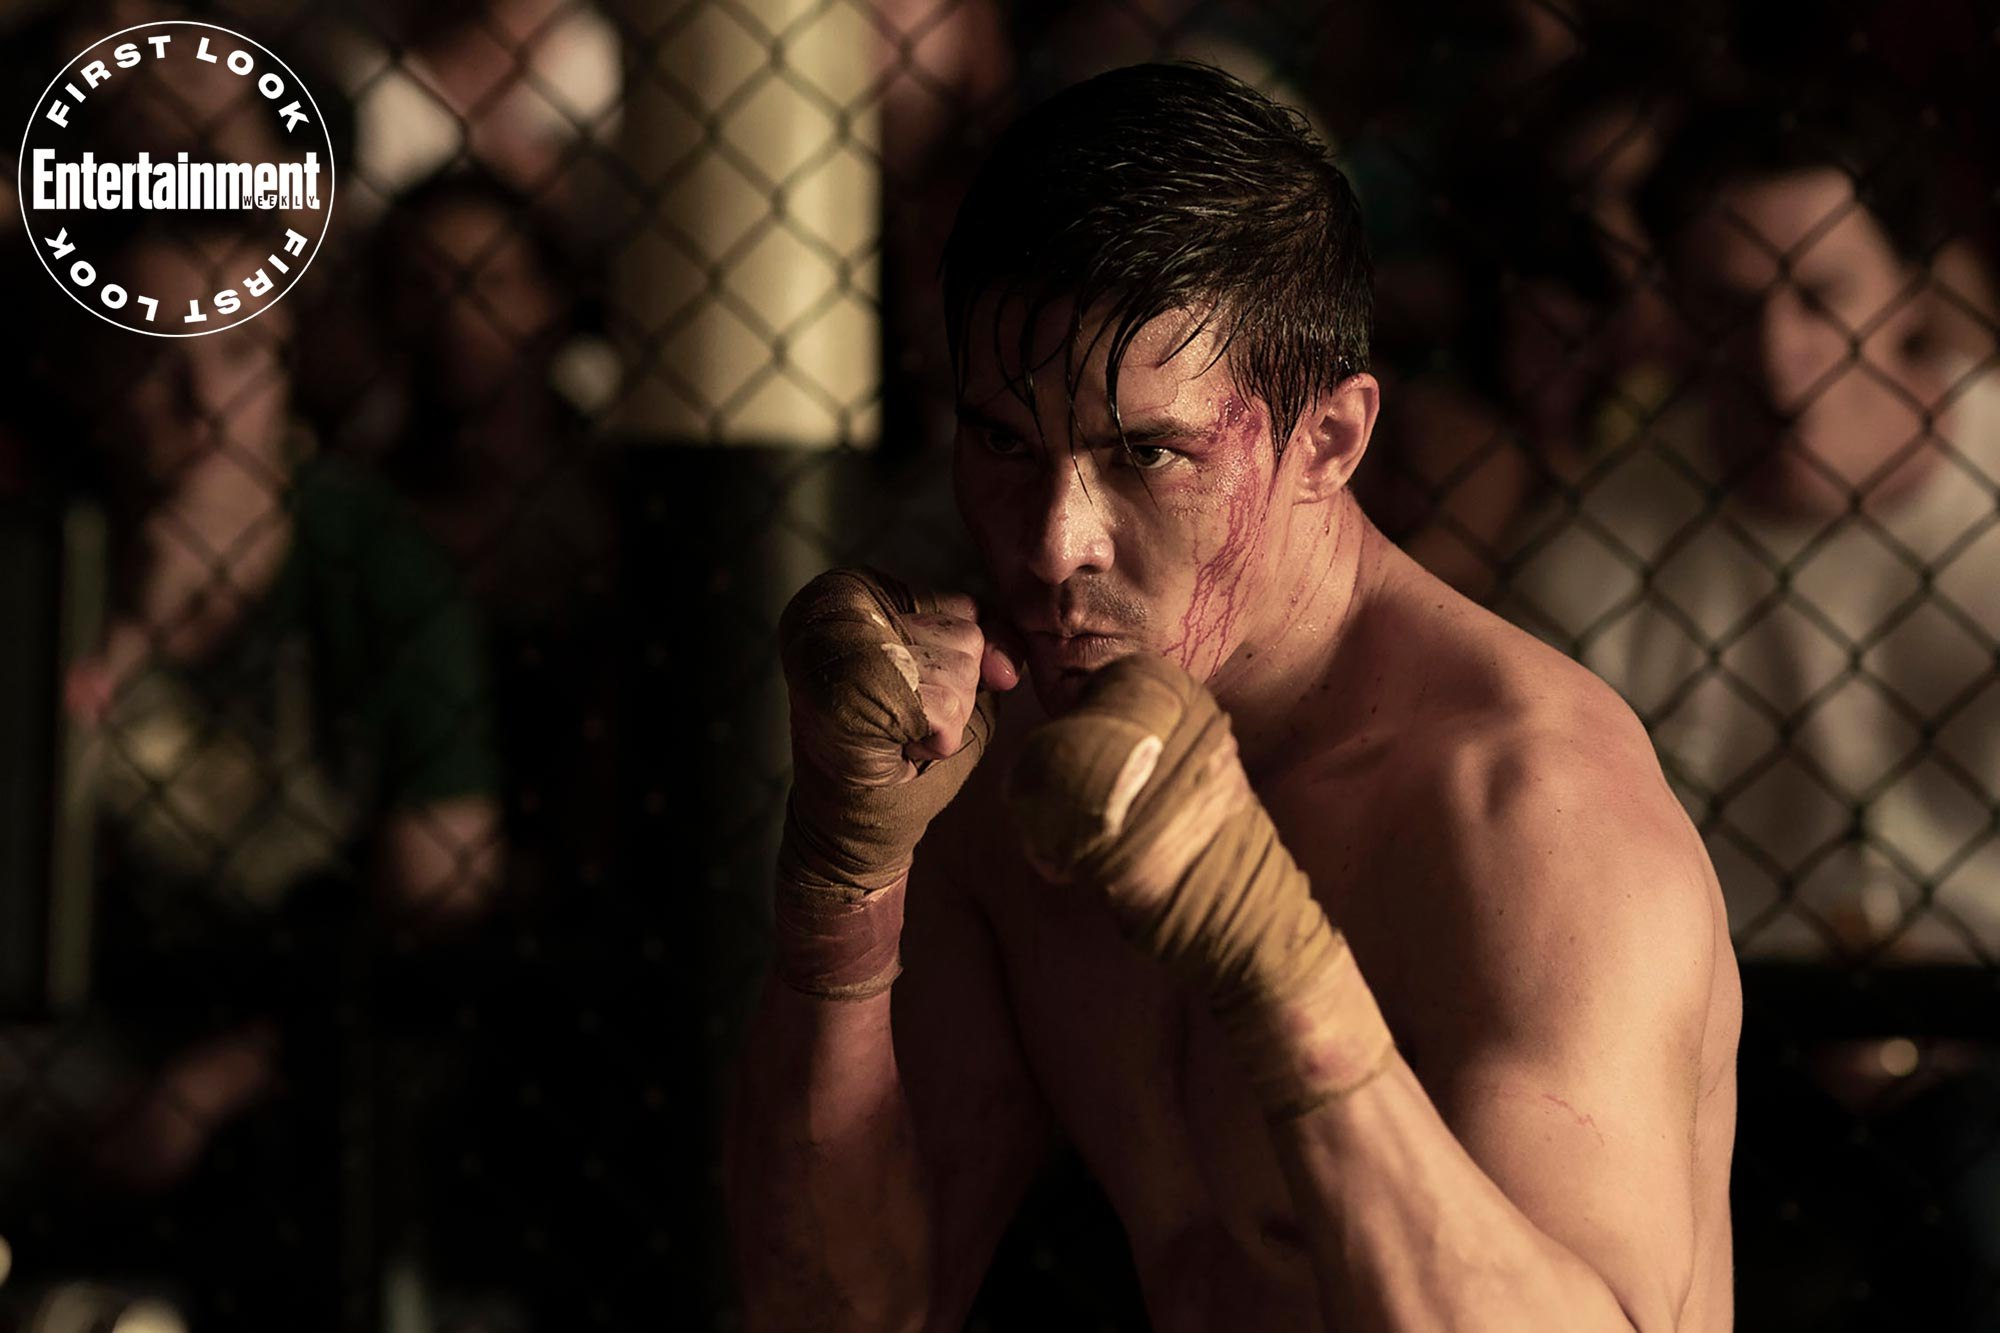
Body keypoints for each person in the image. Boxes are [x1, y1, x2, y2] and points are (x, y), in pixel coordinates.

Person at [729, 62, 1739, 1330]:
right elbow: (849, 1313)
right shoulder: (998, 769)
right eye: (1001, 441)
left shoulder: (1527, 810)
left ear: (1329, 440)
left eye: (1145, 452)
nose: (1052, 544)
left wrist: (1279, 963)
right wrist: (841, 886)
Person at [1503, 96, 2000, 1332]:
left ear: (1910, 291)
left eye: (1821, 296)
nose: (1778, 355)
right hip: (1722, 1057)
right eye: (1729, 306)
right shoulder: (1590, 555)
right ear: (1671, 306)